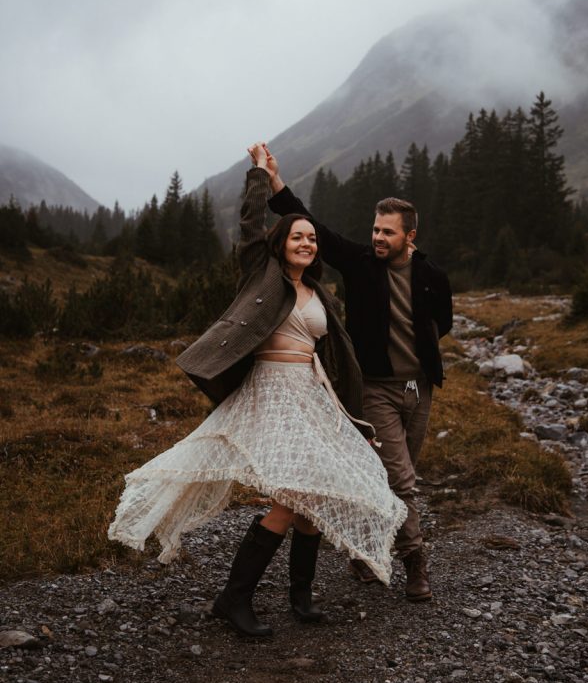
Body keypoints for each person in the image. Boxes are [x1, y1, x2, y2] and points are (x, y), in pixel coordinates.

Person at [108, 145, 407, 638]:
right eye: (298, 237)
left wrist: (356, 421)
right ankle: (234, 599)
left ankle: (301, 597)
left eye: (312, 237)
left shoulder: (319, 294)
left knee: (316, 494)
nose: (307, 243)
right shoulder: (261, 273)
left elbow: (336, 361)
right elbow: (249, 225)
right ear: (280, 243)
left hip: (311, 397)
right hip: (270, 393)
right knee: (293, 499)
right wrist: (260, 177)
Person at [264, 144, 453, 602]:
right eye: (375, 229)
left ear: (410, 235)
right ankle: (415, 564)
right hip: (376, 391)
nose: (377, 238)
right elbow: (313, 226)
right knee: (403, 479)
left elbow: (441, 323)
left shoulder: (432, 275)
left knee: (389, 477)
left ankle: (364, 550)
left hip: (419, 389)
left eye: (388, 232)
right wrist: (274, 182)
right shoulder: (361, 266)